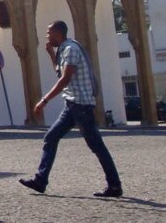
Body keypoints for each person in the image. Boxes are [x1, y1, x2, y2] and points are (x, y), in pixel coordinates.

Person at [18, 20, 123, 198]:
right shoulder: (64, 50)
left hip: (80, 105)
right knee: (51, 138)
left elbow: (65, 79)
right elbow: (60, 73)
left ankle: (114, 186)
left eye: (49, 33)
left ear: (58, 33)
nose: (47, 36)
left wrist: (44, 100)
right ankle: (40, 180)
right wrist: (51, 54)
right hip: (72, 106)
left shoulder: (70, 49)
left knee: (97, 146)